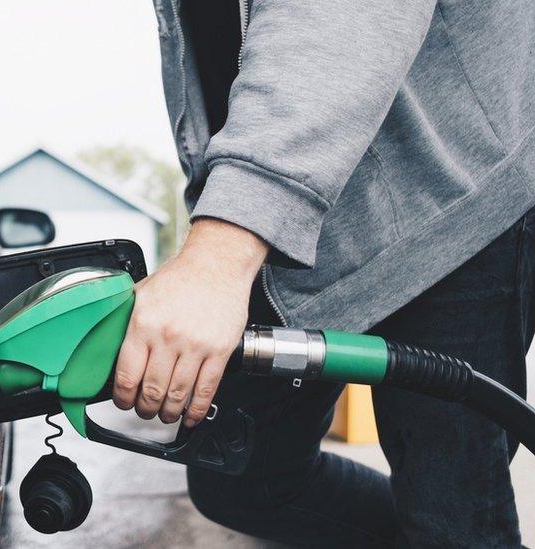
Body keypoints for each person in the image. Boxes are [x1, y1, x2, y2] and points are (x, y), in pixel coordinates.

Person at [113, 1, 535, 546]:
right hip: (293, 226)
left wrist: (220, 249)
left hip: (449, 206)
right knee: (240, 479)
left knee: (449, 512)